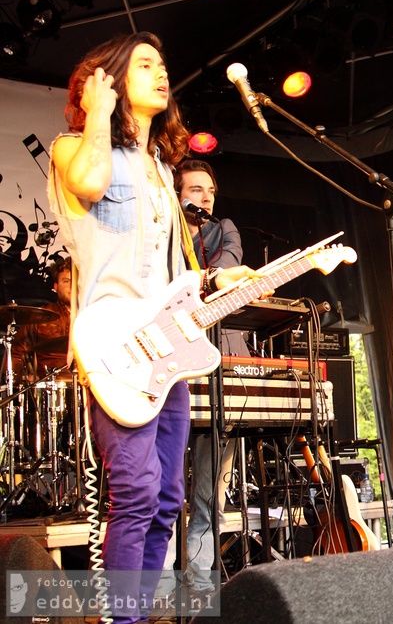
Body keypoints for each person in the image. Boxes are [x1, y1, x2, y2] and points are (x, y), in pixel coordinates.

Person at [47, 32, 260, 624]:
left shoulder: (165, 172)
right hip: (116, 346)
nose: (161, 74)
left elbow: (175, 274)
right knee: (137, 494)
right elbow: (88, 184)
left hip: (167, 350)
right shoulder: (74, 146)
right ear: (109, 79)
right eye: (144, 65)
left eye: (163, 66)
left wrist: (219, 281)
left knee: (167, 499)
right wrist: (98, 112)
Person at [174, 159, 245, 595]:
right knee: (156, 490)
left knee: (208, 489)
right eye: (195, 189)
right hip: (166, 364)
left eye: (210, 190)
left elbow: (227, 272)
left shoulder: (225, 231)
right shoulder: (162, 234)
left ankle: (199, 584)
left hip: (217, 360)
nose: (205, 197)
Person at [11, 257, 72, 383]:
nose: (72, 286)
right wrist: (23, 378)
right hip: (49, 387)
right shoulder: (40, 317)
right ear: (55, 286)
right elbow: (16, 355)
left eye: (76, 281)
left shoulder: (93, 317)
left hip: (88, 386)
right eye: (66, 281)